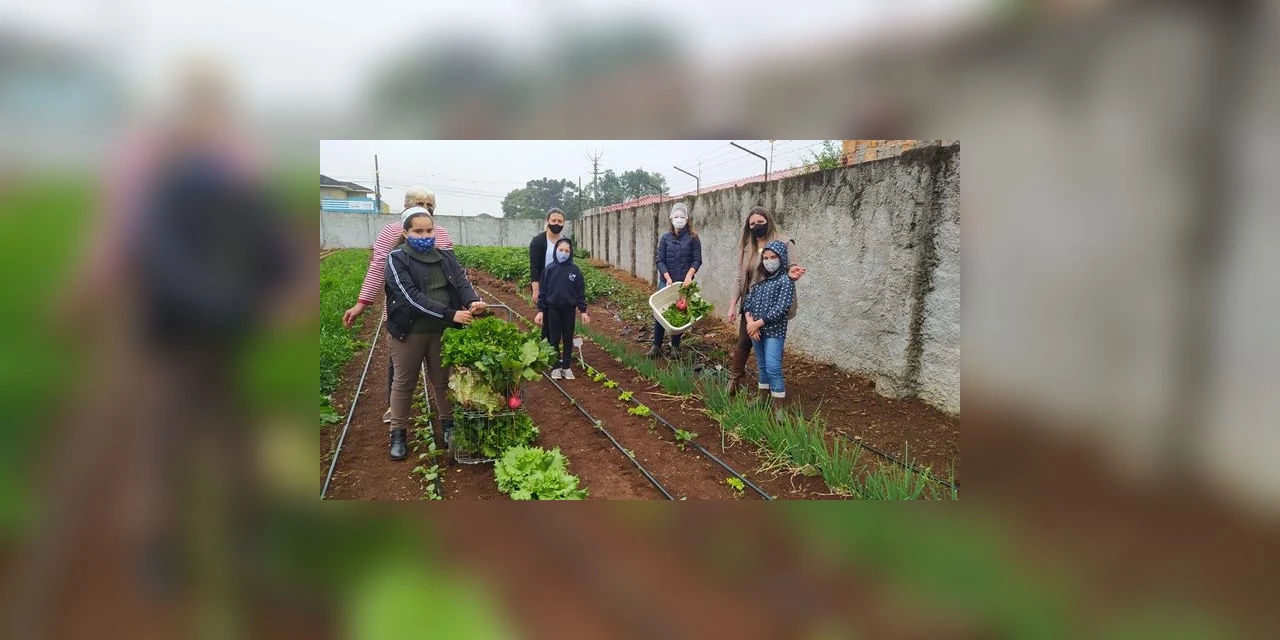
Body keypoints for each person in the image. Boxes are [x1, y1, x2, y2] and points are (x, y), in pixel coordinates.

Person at [342, 188, 455, 424]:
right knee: (401, 367)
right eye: (419, 203)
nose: (425, 207)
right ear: (406, 207)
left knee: (442, 370)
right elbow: (377, 269)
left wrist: (466, 303)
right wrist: (362, 302)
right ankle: (395, 412)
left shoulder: (441, 234)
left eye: (429, 204)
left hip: (437, 316)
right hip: (404, 313)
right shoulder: (390, 233)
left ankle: (446, 414)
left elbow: (454, 273)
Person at [384, 209, 485, 460]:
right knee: (404, 382)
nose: (425, 236)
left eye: (429, 231)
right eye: (418, 231)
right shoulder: (396, 259)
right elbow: (410, 297)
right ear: (406, 233)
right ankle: (398, 433)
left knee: (442, 382)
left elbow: (461, 283)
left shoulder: (446, 257)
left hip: (442, 333)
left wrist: (473, 302)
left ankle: (449, 427)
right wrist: (451, 314)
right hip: (409, 332)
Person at [726, 206, 807, 394]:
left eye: (760, 222)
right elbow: (739, 277)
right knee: (745, 341)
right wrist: (733, 305)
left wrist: (792, 274)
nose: (756, 226)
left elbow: (790, 269)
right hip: (752, 306)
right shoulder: (747, 247)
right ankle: (736, 379)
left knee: (771, 345)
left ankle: (774, 387)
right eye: (752, 223)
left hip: (773, 306)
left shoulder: (784, 243)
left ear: (768, 221)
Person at [742, 241, 796, 414]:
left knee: (773, 366)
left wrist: (758, 323)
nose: (769, 261)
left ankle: (778, 407)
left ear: (781, 258)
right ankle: (763, 398)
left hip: (774, 331)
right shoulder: (760, 279)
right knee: (762, 365)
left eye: (773, 257)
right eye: (765, 258)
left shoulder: (785, 280)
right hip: (755, 331)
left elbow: (782, 308)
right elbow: (747, 303)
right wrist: (751, 323)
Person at [648, 202, 702, 358]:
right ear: (671, 219)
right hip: (667, 281)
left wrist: (689, 276)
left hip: (683, 283)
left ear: (687, 219)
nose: (679, 219)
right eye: (676, 216)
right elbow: (660, 260)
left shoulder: (693, 238)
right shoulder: (665, 238)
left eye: (682, 216)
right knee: (660, 312)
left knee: (679, 312)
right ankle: (656, 346)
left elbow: (697, 260)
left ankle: (675, 347)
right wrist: (667, 277)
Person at [534, 238, 590, 379]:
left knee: (567, 337)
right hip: (553, 309)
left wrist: (583, 311)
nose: (563, 253)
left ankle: (566, 366)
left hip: (568, 309)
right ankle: (555, 366)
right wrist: (540, 310)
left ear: (570, 253)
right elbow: (543, 292)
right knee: (554, 338)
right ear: (555, 251)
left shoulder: (574, 270)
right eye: (561, 250)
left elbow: (580, 292)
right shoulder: (549, 269)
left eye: (567, 250)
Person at [528, 208, 567, 340]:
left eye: (560, 221)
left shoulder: (565, 241)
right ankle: (547, 351)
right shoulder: (538, 241)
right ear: (547, 221)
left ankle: (558, 349)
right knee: (547, 320)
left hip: (561, 287)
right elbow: (534, 266)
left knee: (561, 320)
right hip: (545, 287)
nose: (557, 224)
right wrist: (536, 290)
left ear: (564, 223)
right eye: (554, 220)